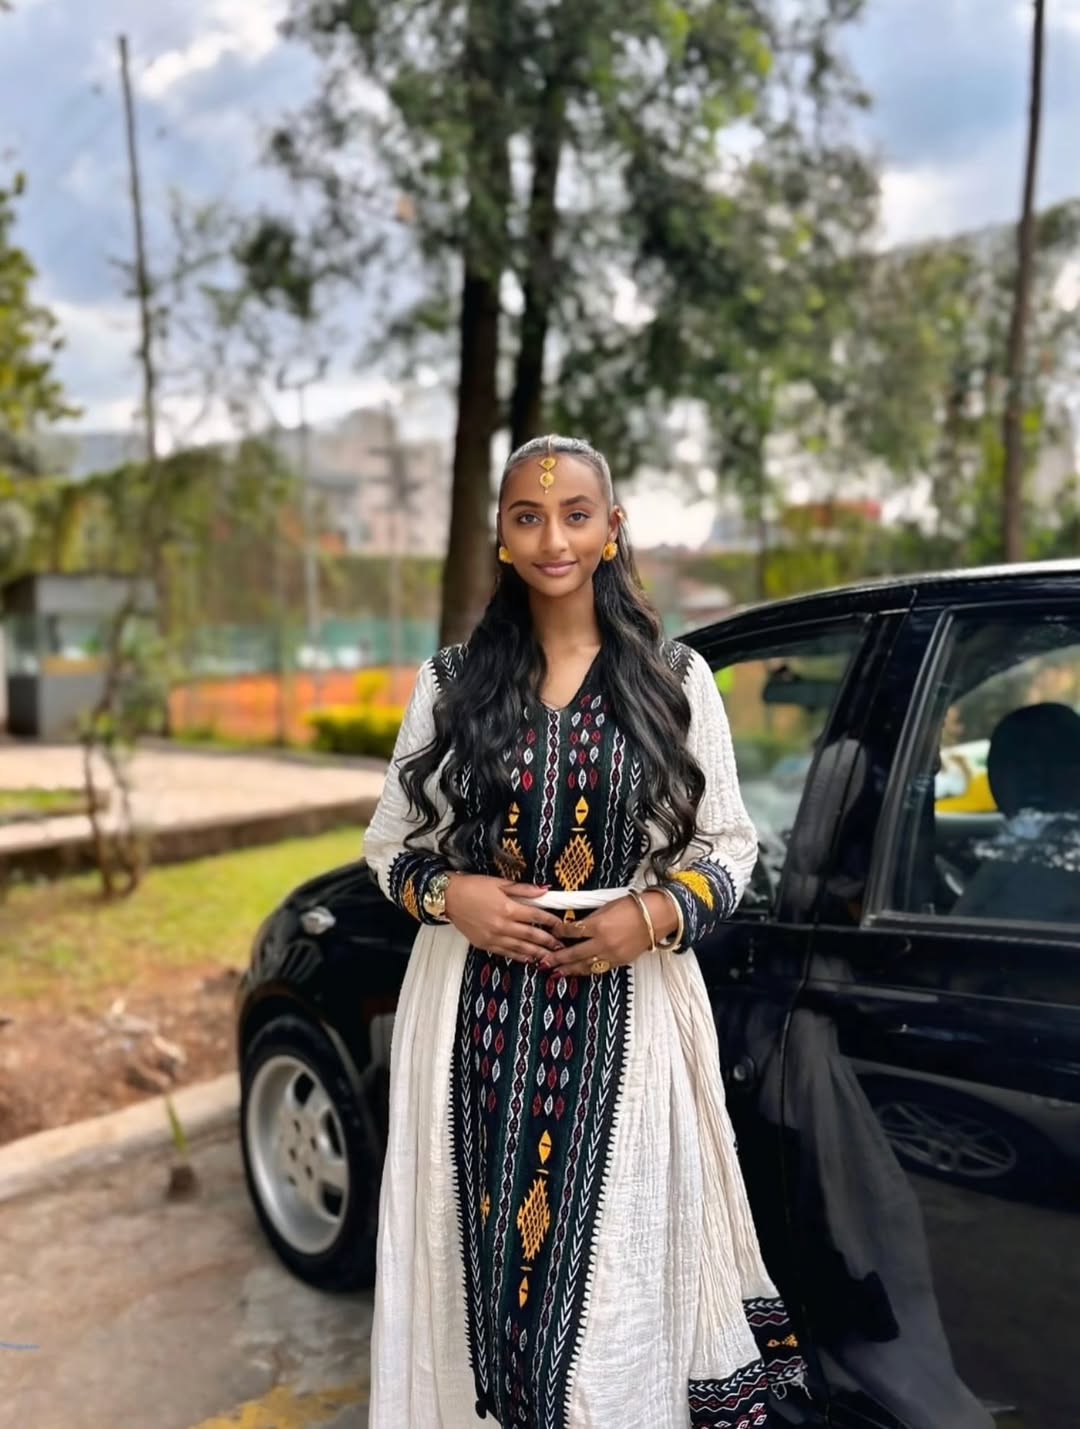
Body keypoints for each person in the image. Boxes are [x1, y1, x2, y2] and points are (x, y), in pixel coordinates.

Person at [363, 434, 807, 1429]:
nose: (552, 535)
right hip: (468, 1019)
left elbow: (730, 848)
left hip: (630, 1020)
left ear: (612, 530)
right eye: (528, 515)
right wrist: (453, 897)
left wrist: (650, 912)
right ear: (503, 538)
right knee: (464, 1268)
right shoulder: (450, 682)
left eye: (574, 514)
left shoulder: (674, 680)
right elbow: (390, 846)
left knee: (614, 1288)